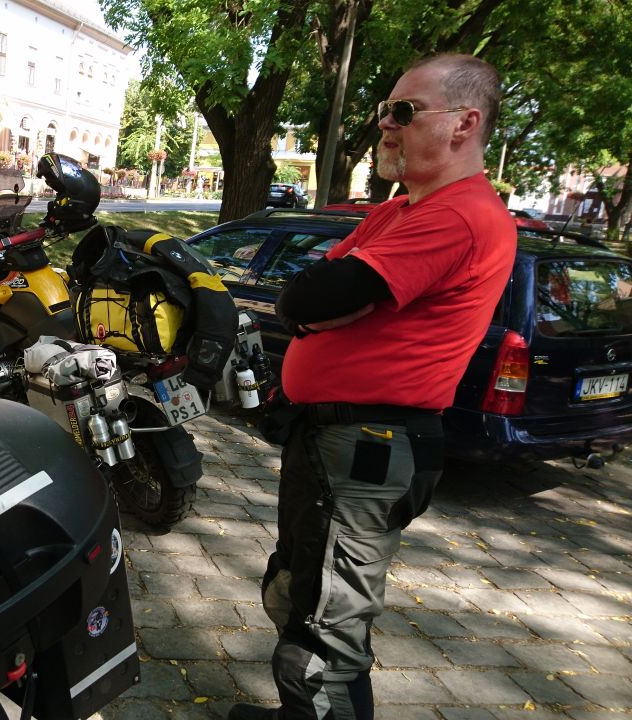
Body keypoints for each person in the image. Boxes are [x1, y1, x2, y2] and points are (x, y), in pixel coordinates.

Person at [229, 54, 517, 720]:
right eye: (385, 109)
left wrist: (319, 303)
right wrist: (319, 305)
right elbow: (305, 293)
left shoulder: (460, 216)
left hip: (367, 445)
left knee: (325, 631)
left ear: (464, 123)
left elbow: (316, 296)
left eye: (403, 111)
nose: (385, 123)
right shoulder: (399, 213)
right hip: (333, 439)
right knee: (298, 589)